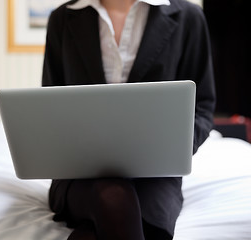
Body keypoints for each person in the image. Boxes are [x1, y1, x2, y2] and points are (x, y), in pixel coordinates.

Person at [42, 0, 216, 239]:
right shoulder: (63, 18)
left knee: (127, 226)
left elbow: (202, 107)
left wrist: (174, 149)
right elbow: (50, 107)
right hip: (79, 175)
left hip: (157, 174)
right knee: (114, 198)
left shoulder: (189, 17)